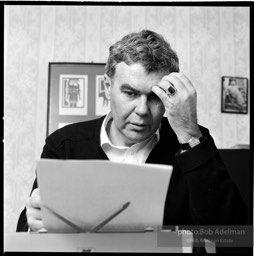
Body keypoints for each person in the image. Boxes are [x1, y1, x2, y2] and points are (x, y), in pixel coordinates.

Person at [17, 30, 247, 241]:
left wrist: (188, 133)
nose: (142, 110)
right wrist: (33, 224)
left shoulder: (192, 141)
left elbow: (231, 235)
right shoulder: (64, 145)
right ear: (107, 86)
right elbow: (29, 230)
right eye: (130, 92)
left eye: (156, 97)